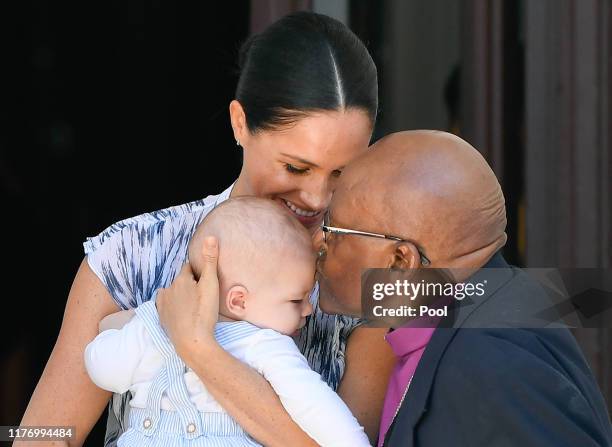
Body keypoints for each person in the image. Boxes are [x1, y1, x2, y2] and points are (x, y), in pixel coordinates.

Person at [18, 12, 395, 447]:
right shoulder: (133, 253)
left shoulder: (374, 276)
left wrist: (199, 349)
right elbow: (43, 434)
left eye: (341, 173)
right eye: (295, 167)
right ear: (240, 124)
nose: (316, 197)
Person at [312, 130, 612, 446]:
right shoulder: (486, 311)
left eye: (334, 231)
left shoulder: (490, 366)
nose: (320, 242)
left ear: (400, 261)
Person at [84, 197, 370, 446]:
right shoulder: (265, 345)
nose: (308, 309)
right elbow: (319, 411)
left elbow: (102, 368)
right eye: (297, 300)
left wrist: (141, 321)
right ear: (238, 301)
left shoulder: (156, 324)